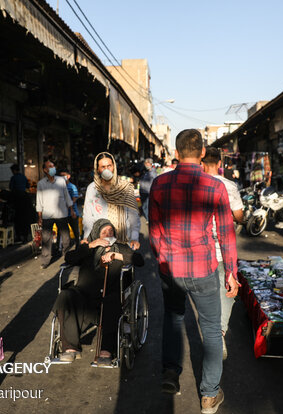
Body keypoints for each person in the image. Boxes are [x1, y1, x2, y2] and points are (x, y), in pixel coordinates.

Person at [149, 129, 238, 414]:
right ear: (202, 153)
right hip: (204, 269)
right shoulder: (215, 186)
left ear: (176, 153)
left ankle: (170, 374)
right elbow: (226, 234)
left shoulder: (159, 184)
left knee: (173, 319)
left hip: (171, 269)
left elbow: (154, 231)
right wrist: (231, 272)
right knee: (211, 330)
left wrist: (162, 260)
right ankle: (209, 396)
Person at [52, 219, 144, 364]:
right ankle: (70, 348)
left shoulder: (120, 247)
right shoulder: (88, 247)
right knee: (66, 295)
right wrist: (90, 246)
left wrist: (117, 256)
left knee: (111, 301)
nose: (108, 234)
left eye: (110, 231)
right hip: (85, 294)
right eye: (104, 232)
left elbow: (139, 260)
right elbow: (69, 258)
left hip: (110, 293)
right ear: (96, 234)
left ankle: (106, 350)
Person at [201, 147, 244, 360]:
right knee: (226, 290)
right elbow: (239, 215)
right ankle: (218, 333)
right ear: (219, 163)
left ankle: (212, 335)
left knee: (205, 296)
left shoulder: (194, 184)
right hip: (221, 250)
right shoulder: (228, 185)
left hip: (199, 252)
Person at [83, 152, 140, 250]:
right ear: (97, 169)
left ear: (114, 166)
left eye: (109, 166)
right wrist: (86, 237)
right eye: (103, 167)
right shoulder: (92, 188)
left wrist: (134, 238)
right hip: (100, 240)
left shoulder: (125, 187)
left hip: (123, 239)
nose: (106, 169)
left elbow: (133, 216)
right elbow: (88, 216)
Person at [36, 160, 74, 269]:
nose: (53, 168)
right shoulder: (41, 184)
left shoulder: (61, 181)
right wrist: (39, 217)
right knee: (46, 239)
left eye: (53, 166)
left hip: (61, 213)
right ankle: (45, 260)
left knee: (66, 237)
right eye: (50, 166)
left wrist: (71, 210)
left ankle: (67, 257)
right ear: (45, 170)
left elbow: (67, 195)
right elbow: (39, 201)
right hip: (47, 215)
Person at [8, 164, 33, 242]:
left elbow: (11, 188)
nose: (12, 172)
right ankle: (25, 236)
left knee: (17, 218)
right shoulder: (23, 177)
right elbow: (28, 186)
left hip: (17, 199)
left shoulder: (13, 178)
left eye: (12, 171)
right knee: (25, 218)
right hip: (25, 199)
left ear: (14, 170)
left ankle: (18, 236)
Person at [59, 169, 82, 245]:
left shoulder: (72, 187)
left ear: (68, 176)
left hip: (72, 214)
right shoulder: (59, 187)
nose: (61, 177)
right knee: (63, 232)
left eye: (63, 175)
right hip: (62, 214)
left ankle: (78, 246)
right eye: (60, 176)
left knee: (75, 232)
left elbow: (74, 200)